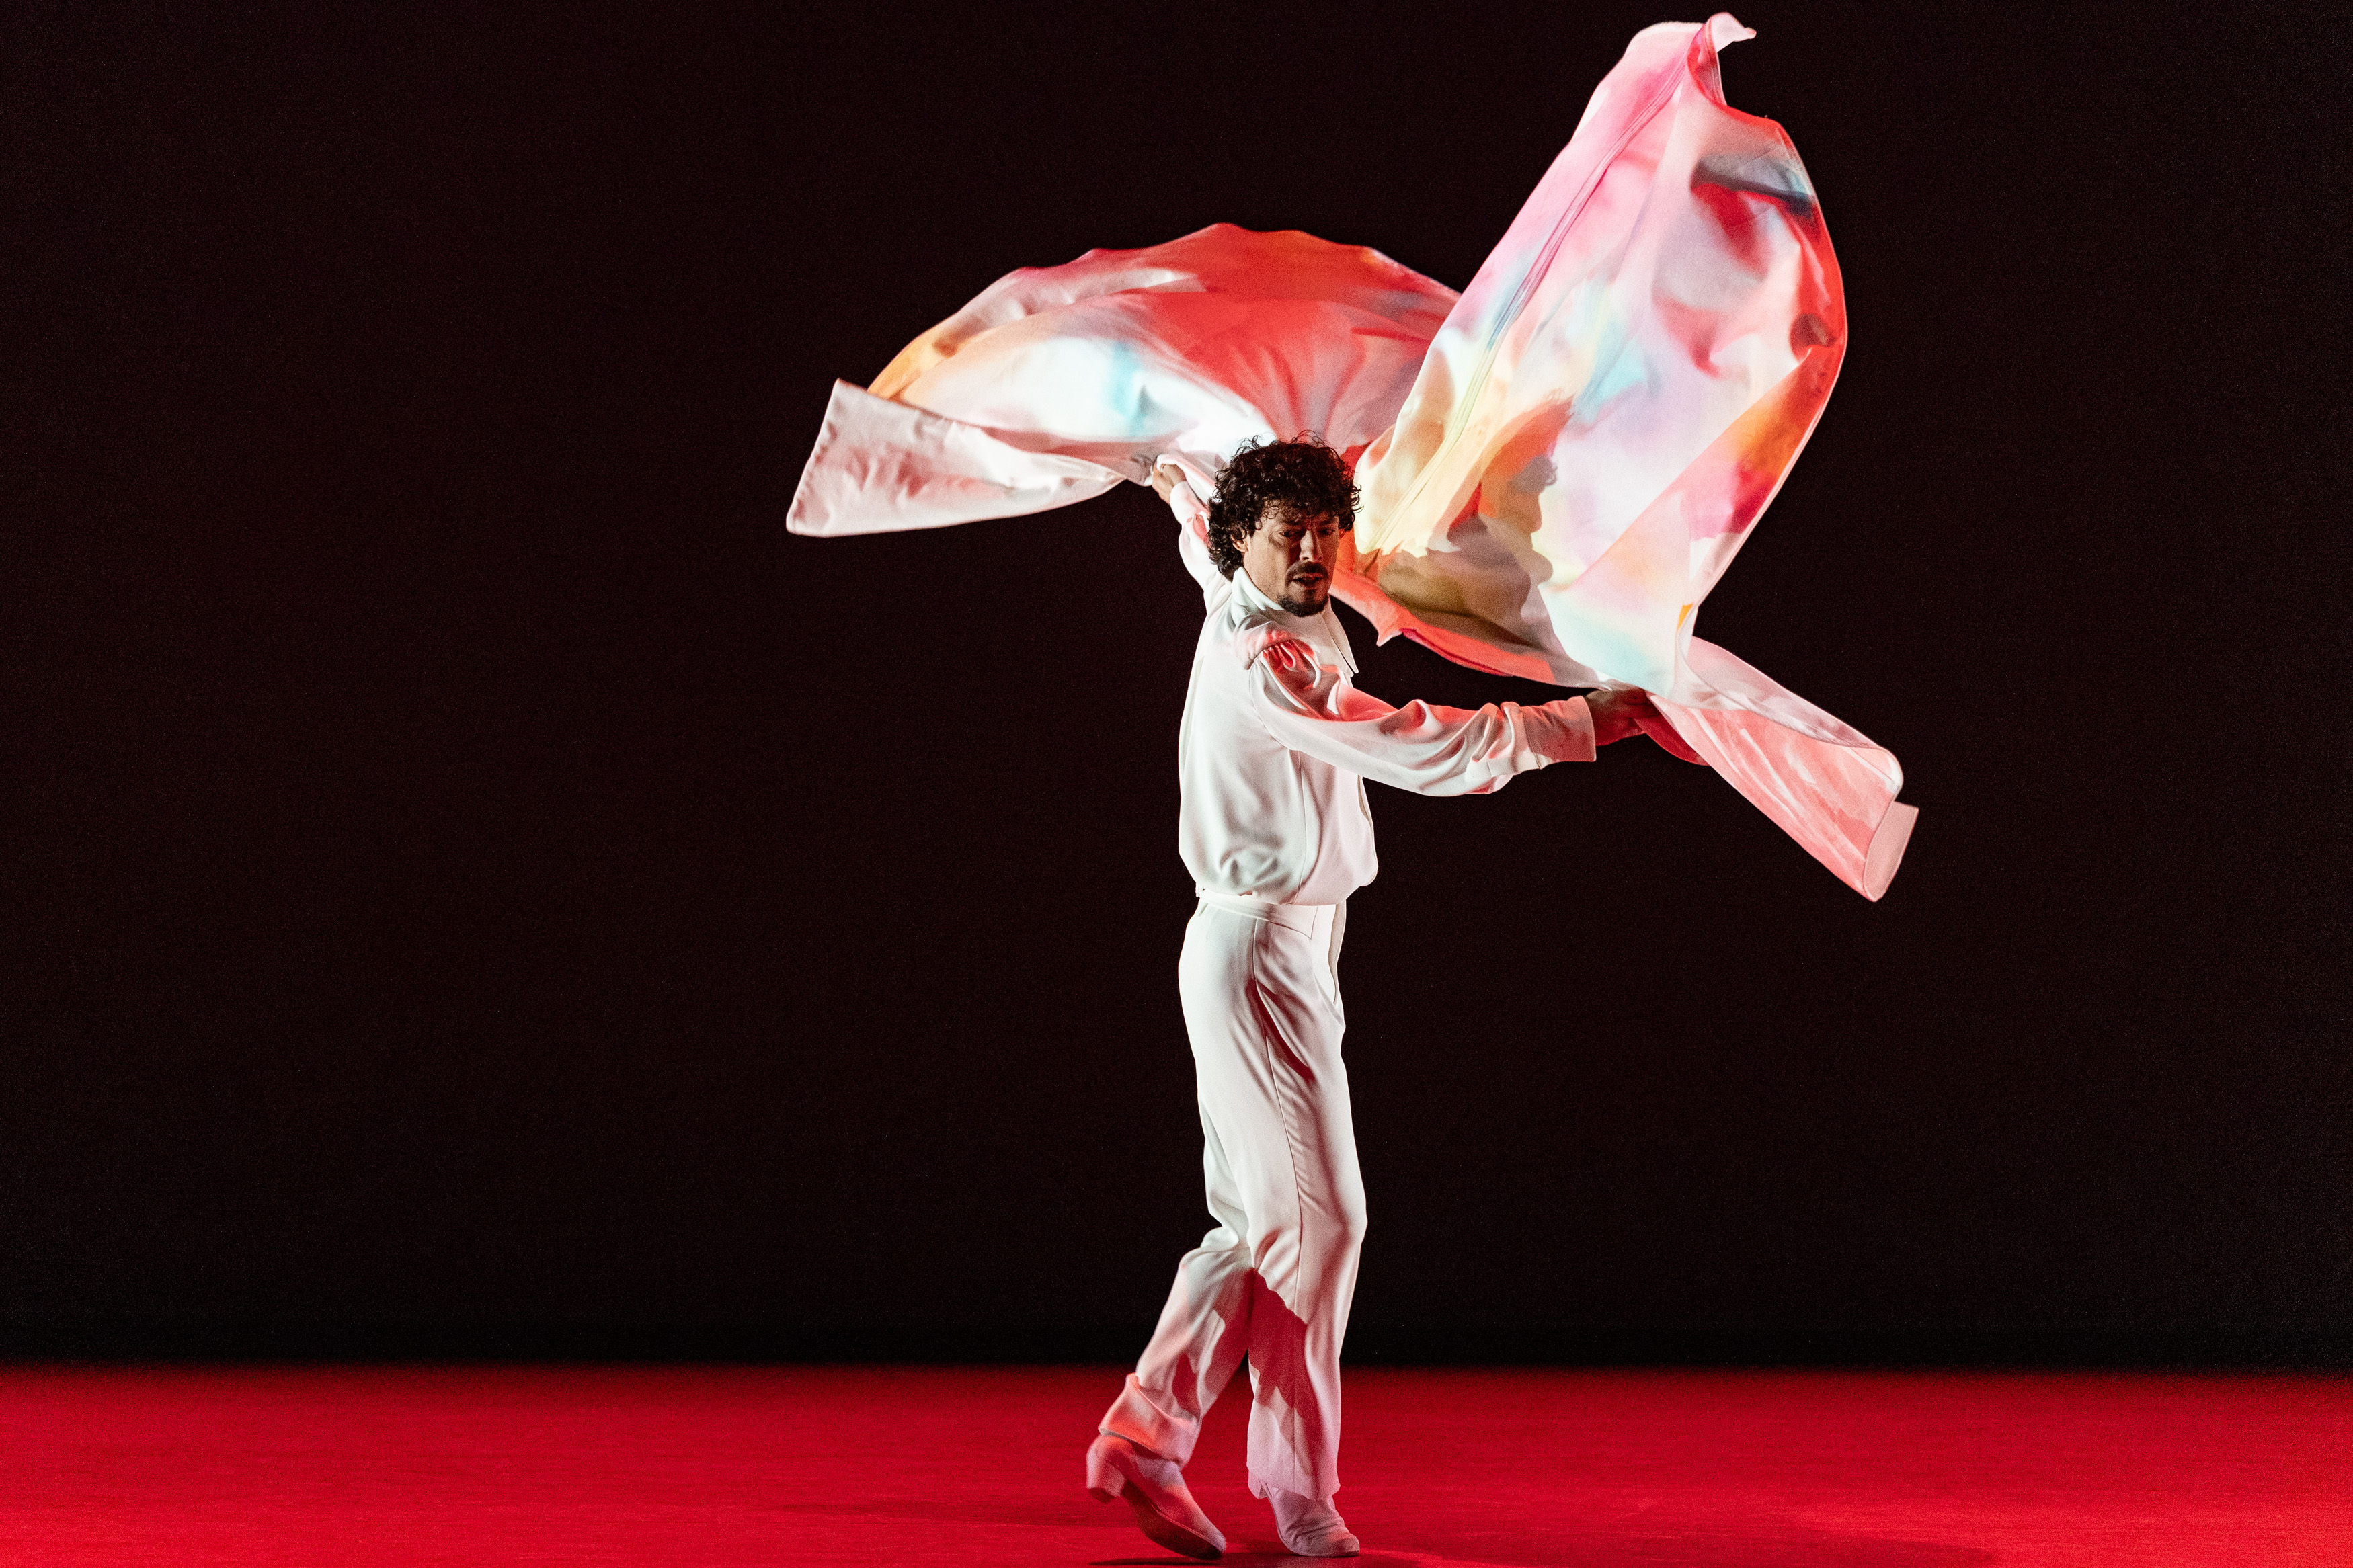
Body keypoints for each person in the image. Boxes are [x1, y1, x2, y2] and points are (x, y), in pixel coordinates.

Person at [1083, 438, 1686, 1560]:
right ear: (1244, 542)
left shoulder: (1247, 582)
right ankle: (1285, 1490)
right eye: (1287, 534)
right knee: (1328, 1218)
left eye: (1324, 530)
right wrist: (1583, 722)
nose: (1312, 552)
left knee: (1262, 1225)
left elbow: (1191, 517)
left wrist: (1167, 464)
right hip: (1259, 948)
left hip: (1284, 946)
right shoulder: (1268, 654)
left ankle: (1150, 1433)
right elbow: (1406, 745)